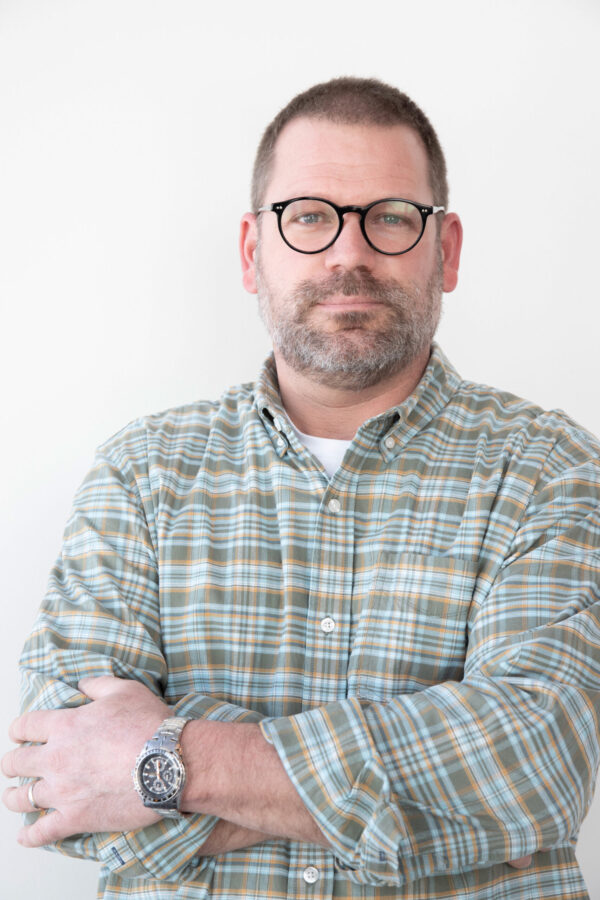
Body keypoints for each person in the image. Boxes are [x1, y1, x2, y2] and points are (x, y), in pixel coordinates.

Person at [2, 77, 599, 900]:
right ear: (253, 252)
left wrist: (164, 762)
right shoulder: (141, 472)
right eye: (310, 217)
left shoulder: (551, 469)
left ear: (447, 249)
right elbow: (58, 774)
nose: (348, 254)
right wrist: (437, 800)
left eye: (391, 216)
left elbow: (535, 769)